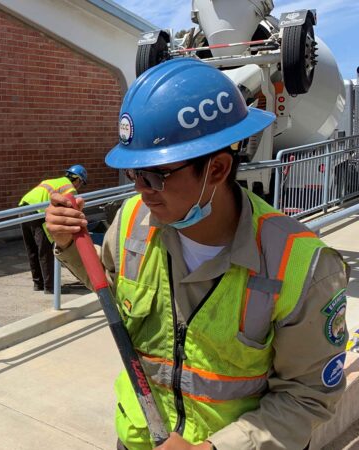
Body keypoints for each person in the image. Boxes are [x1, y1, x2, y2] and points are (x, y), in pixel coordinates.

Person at [45, 58, 349, 449]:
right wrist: (70, 243)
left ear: (218, 169)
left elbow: (308, 395)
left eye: (154, 176)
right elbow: (112, 291)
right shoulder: (132, 220)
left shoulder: (303, 265)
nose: (141, 190)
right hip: (138, 439)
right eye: (133, 174)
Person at [18, 165, 87, 294]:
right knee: (47, 250)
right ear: (77, 180)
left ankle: (38, 283)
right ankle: (51, 287)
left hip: (23, 208)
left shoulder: (53, 181)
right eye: (81, 183)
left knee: (32, 249)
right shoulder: (69, 188)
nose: (79, 187)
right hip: (38, 213)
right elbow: (68, 212)